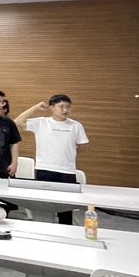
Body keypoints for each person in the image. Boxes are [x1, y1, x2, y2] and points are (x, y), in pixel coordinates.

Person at [14, 94, 89, 224]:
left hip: (67, 171)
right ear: (52, 108)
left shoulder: (76, 126)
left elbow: (82, 146)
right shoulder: (41, 122)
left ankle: (66, 230)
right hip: (45, 169)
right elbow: (18, 122)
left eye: (68, 107)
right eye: (61, 106)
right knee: (44, 206)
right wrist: (36, 107)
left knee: (65, 208)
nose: (65, 110)